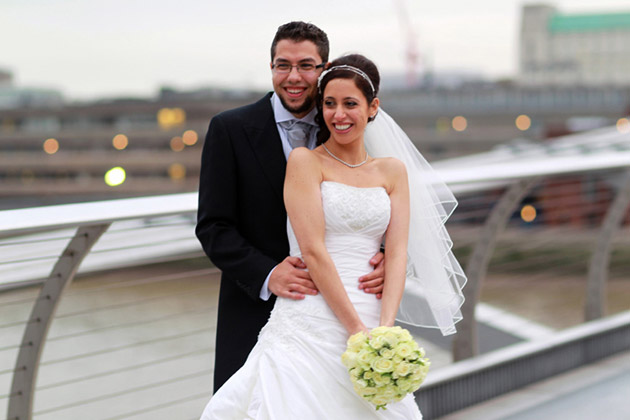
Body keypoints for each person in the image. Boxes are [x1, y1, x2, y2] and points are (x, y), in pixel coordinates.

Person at [199, 53, 466, 419]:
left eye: (350, 104)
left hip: (373, 309)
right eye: (329, 104)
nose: (338, 115)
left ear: (373, 108)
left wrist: (384, 330)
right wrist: (356, 330)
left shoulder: (393, 171)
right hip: (313, 311)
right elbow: (313, 250)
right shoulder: (305, 162)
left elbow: (398, 250)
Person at [195, 21, 386, 393]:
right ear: (271, 68)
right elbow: (213, 227)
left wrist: (383, 256)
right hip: (255, 308)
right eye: (283, 65)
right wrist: (269, 275)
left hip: (342, 308)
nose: (293, 77)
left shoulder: (347, 124)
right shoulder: (229, 129)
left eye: (306, 66)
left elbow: (379, 202)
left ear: (323, 70)